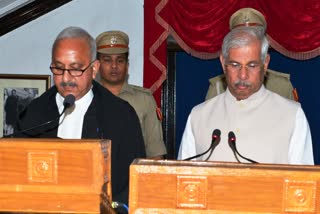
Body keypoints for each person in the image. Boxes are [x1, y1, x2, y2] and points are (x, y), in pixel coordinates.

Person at [13, 26, 146, 205]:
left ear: (94, 68)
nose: (66, 78)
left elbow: (132, 185)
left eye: (76, 69)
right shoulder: (34, 114)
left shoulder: (121, 116)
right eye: (58, 68)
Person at [178, 26, 314, 164]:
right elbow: (181, 179)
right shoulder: (199, 116)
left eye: (252, 65)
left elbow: (304, 182)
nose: (243, 75)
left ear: (265, 63)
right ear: (223, 62)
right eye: (235, 65)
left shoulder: (291, 115)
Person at [95, 30, 167, 159]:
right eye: (107, 60)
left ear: (127, 66)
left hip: (132, 175)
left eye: (120, 60)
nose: (114, 66)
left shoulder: (144, 99)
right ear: (97, 65)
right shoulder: (87, 98)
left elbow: (155, 152)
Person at [205, 8, 297, 101]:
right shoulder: (217, 88)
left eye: (252, 65)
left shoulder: (281, 86)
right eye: (241, 36)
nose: (243, 75)